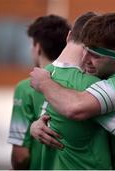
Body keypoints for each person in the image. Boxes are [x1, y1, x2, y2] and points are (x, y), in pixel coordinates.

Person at [30, 12, 115, 169]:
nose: (85, 59)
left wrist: (45, 83)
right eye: (85, 50)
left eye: (95, 56)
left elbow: (75, 107)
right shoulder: (97, 75)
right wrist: (39, 123)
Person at [7, 14, 70, 169]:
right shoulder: (79, 83)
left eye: (31, 44)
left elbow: (20, 157)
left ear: (38, 47)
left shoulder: (26, 88)